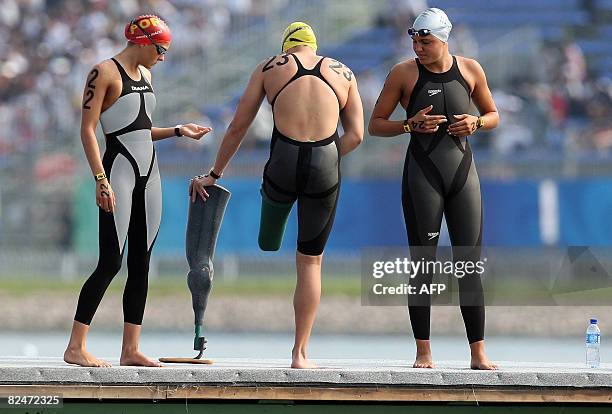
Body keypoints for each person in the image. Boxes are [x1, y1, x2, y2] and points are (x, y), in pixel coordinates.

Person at [190, 22, 364, 369]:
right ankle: (300, 354)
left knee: (269, 241)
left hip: (282, 163)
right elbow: (357, 135)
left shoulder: (269, 67)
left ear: (287, 47)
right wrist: (325, 158)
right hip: (325, 167)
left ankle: (269, 235)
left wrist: (214, 174)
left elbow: (239, 125)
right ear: (313, 46)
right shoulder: (344, 73)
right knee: (311, 261)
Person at [64, 14, 212, 368]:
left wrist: (178, 131)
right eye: (161, 50)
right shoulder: (104, 73)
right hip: (118, 172)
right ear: (143, 43)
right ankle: (75, 346)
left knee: (141, 263)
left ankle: (130, 349)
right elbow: (88, 129)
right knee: (110, 262)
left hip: (151, 174)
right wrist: (100, 178)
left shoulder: (147, 75)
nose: (163, 57)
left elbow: (140, 130)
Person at [368, 8, 499, 370]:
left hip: (463, 175)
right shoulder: (403, 74)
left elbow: (493, 115)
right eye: (414, 40)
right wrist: (409, 126)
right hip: (422, 176)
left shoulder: (470, 70)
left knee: (469, 265)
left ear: (443, 40)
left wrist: (476, 122)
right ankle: (423, 353)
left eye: (425, 42)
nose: (417, 48)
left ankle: (478, 353)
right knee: (423, 264)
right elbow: (375, 125)